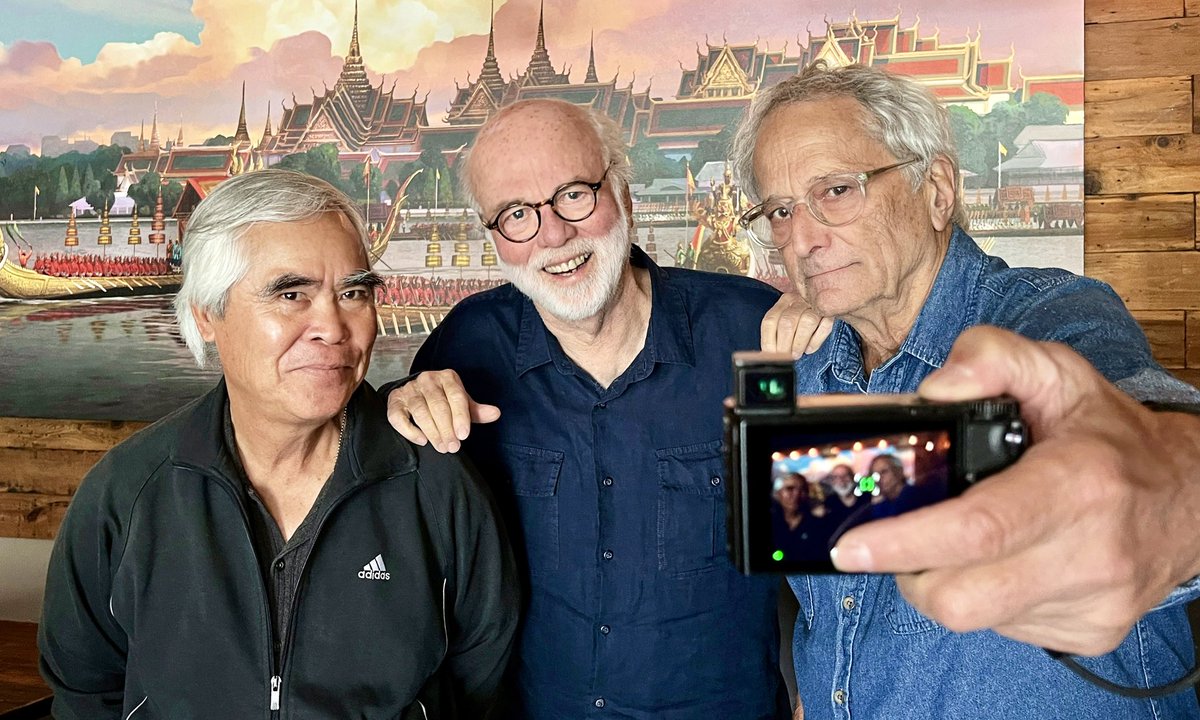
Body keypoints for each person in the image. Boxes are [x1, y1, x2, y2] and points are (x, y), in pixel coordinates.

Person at [729, 60, 1200, 717]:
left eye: (837, 190)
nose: (802, 238)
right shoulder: (808, 369)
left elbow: (1147, 434)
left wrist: (1171, 493)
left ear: (938, 190)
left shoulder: (1047, 319)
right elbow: (826, 611)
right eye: (780, 210)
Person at [386, 99, 813, 719]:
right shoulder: (470, 346)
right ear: (494, 238)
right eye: (516, 214)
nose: (553, 234)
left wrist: (842, 330)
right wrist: (397, 403)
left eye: (574, 196)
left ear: (623, 194)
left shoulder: (755, 336)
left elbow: (850, 542)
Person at [38, 169, 519, 719]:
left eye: (354, 292)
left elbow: (482, 686)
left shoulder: (435, 488)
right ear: (206, 314)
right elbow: (84, 691)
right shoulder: (128, 492)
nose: (333, 327)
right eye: (291, 294)